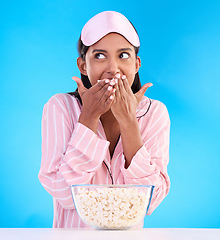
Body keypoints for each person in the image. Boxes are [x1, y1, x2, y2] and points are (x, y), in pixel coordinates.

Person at [38, 11, 170, 228]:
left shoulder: (154, 113)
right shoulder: (60, 107)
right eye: (99, 55)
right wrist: (88, 117)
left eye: (123, 55)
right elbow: (63, 191)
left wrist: (128, 122)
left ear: (136, 64)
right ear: (82, 65)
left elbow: (150, 201)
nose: (113, 68)